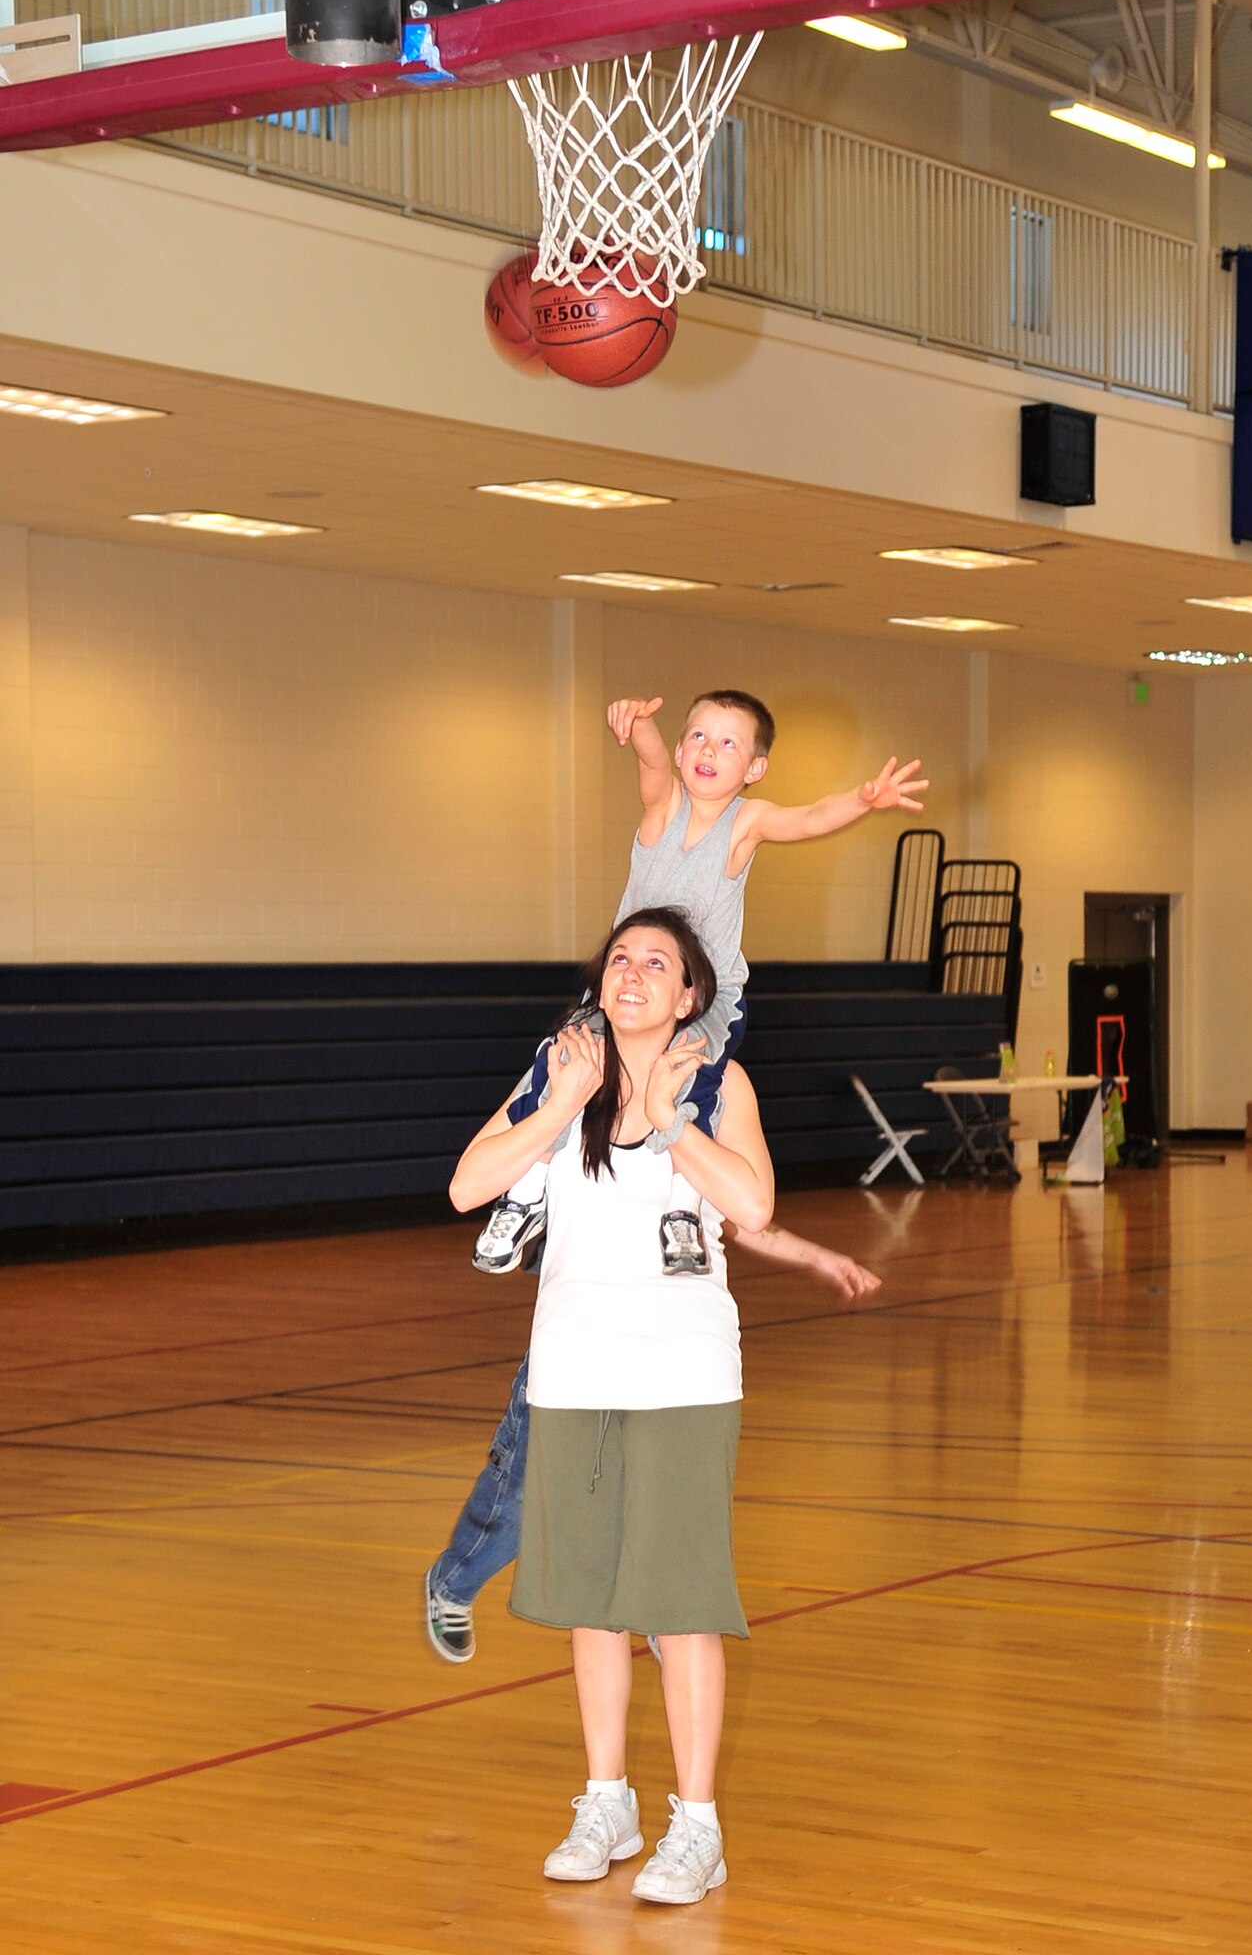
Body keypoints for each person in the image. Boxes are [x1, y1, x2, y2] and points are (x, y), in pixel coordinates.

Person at [448, 905, 773, 1905]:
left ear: (688, 998)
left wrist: (671, 1121)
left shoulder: (714, 1082)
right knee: (588, 1599)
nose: (631, 971)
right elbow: (469, 1185)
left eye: (656, 963)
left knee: (675, 1603)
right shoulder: (557, 1071)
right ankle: (606, 1800)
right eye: (618, 957)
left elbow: (753, 1207)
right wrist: (561, 1104)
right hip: (572, 1373)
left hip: (679, 1379)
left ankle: (698, 1823)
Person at [473, 688, 927, 1278]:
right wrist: (639, 726)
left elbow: (810, 817)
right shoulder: (663, 810)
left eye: (728, 742)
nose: (708, 750)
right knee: (566, 1058)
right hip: (630, 990)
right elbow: (653, 763)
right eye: (698, 737)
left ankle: (682, 1205)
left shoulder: (746, 822)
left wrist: (864, 800)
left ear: (754, 768)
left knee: (686, 1080)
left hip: (703, 999)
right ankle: (528, 1189)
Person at [424, 1222, 881, 1666]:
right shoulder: (576, 1147)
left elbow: (741, 1216)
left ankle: (659, 1613)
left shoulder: (686, 1147)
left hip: (665, 1355)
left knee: (656, 1493)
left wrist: (819, 1257)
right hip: (575, 1351)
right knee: (526, 1498)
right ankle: (454, 1582)